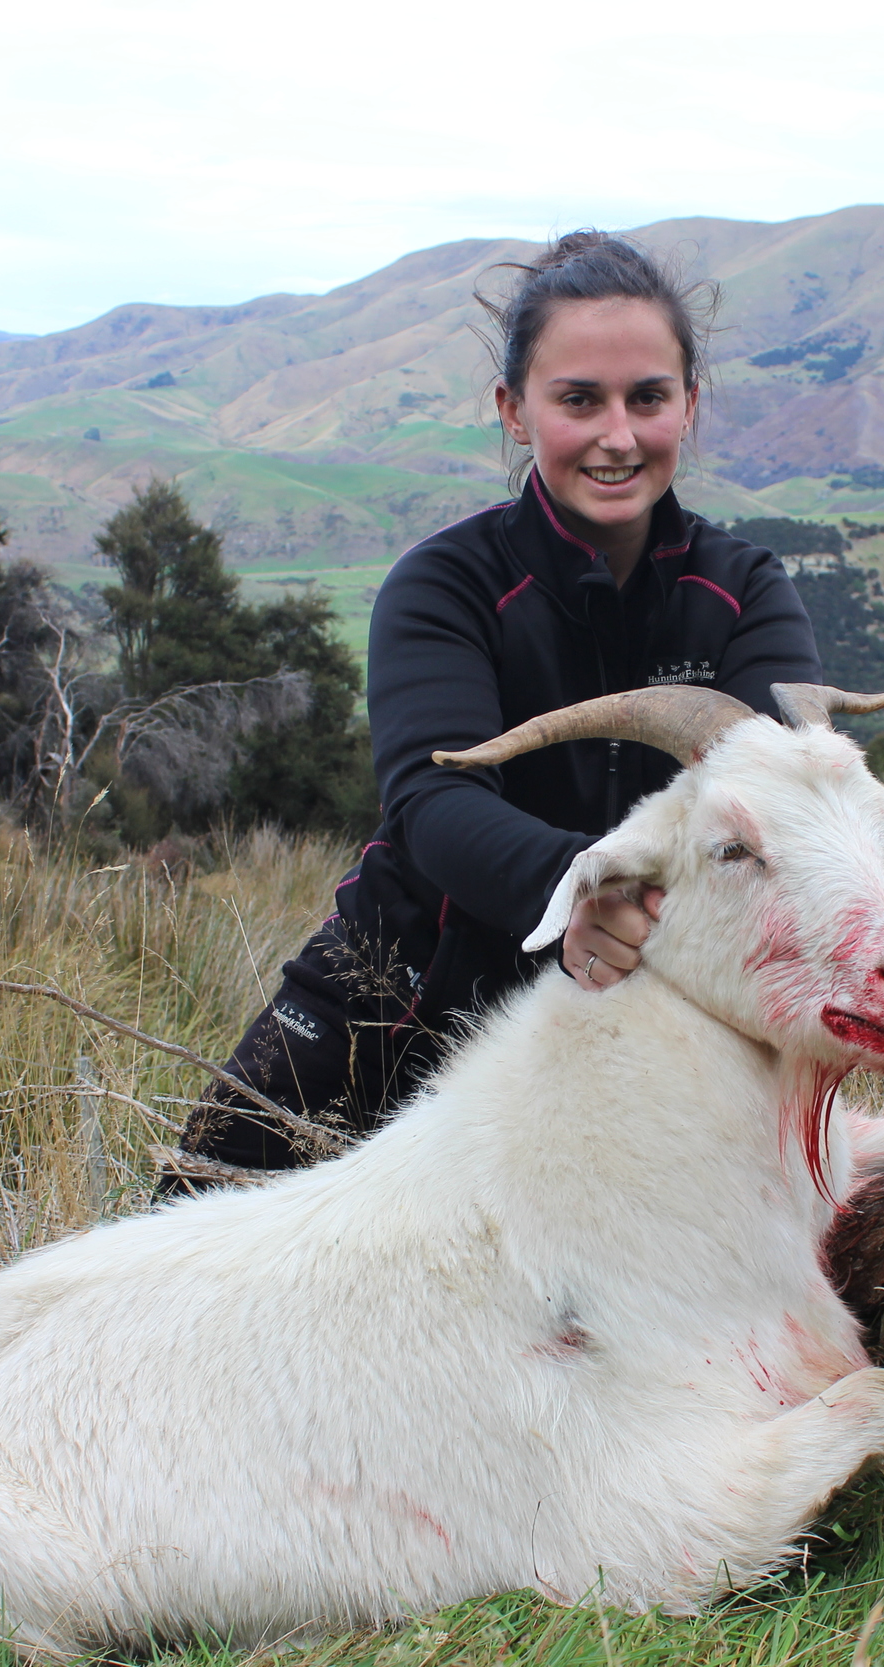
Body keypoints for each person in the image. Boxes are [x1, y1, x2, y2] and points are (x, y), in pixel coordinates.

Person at [169, 231, 826, 1179]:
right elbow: (433, 805)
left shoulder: (743, 590)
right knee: (186, 1226)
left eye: (648, 397)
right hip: (394, 1002)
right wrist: (583, 886)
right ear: (514, 411)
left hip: (643, 1017)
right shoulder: (444, 586)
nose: (618, 435)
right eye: (578, 400)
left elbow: (786, 801)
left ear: (690, 403)